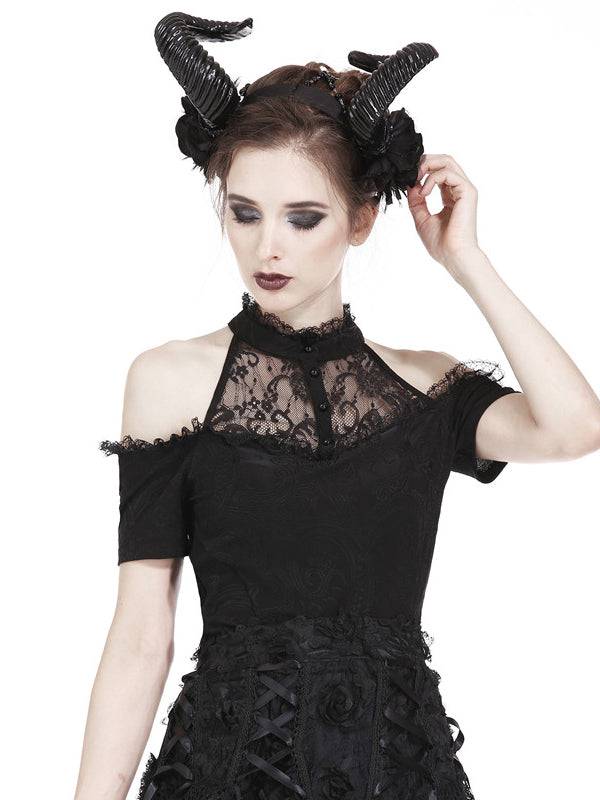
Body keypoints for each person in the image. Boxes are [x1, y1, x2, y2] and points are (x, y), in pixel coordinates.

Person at [74, 12, 600, 800]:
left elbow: (575, 427)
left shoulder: (424, 387)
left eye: (303, 217)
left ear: (361, 219)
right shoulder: (169, 380)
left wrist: (465, 258)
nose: (267, 247)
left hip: (401, 775)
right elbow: (142, 635)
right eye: (244, 212)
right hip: (223, 776)